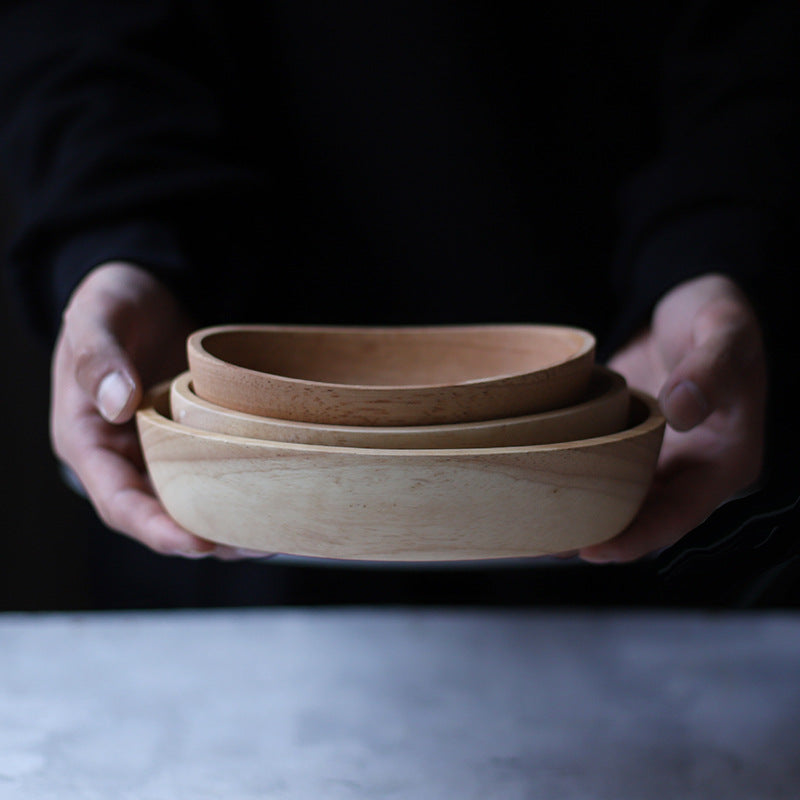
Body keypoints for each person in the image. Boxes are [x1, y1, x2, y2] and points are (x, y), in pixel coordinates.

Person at [0, 1, 797, 606]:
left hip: (669, 563)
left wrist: (716, 254)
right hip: (228, 603)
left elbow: (761, 33)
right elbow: (83, 23)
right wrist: (117, 241)